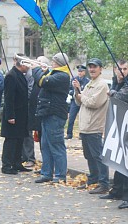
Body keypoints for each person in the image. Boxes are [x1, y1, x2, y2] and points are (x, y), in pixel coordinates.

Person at [99, 59, 128, 209]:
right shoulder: (116, 83)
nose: (122, 71)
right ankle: (116, 191)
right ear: (115, 69)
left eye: (125, 68)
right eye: (119, 68)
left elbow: (119, 97)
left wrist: (112, 92)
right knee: (118, 160)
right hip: (117, 126)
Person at [33, 53, 71, 183]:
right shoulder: (54, 73)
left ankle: (60, 175)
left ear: (58, 63)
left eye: (54, 61)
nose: (52, 63)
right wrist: (43, 70)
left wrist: (36, 68)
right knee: (45, 145)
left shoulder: (62, 76)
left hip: (55, 114)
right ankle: (47, 173)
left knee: (56, 145)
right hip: (47, 112)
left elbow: (42, 82)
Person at [74, 58, 110, 194]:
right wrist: (77, 90)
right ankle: (93, 179)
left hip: (94, 126)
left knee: (98, 156)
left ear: (100, 69)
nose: (92, 69)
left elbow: (93, 103)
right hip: (85, 126)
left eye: (94, 67)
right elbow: (80, 102)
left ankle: (104, 183)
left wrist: (81, 96)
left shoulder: (102, 85)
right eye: (90, 67)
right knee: (89, 155)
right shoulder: (90, 83)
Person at [0, 53, 31, 175]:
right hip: (14, 114)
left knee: (19, 140)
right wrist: (10, 115)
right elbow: (9, 98)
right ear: (21, 64)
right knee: (11, 140)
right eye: (27, 64)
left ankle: (17, 163)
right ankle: (7, 165)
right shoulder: (11, 76)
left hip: (21, 114)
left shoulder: (20, 75)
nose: (29, 67)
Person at [65, 65, 90, 139]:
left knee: (83, 119)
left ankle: (82, 134)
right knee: (71, 118)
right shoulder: (74, 79)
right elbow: (69, 89)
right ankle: (69, 134)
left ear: (84, 72)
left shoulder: (87, 81)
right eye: (79, 71)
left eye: (81, 71)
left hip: (83, 101)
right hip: (74, 101)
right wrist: (72, 92)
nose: (79, 73)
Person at [21, 67, 36, 168]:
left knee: (27, 133)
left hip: (28, 106)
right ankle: (23, 156)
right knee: (21, 132)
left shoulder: (30, 75)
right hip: (21, 106)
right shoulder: (21, 74)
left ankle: (30, 158)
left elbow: (30, 91)